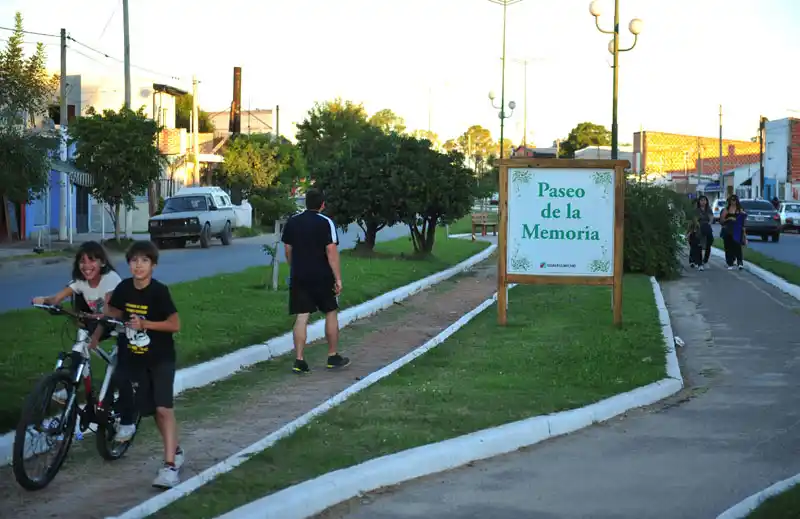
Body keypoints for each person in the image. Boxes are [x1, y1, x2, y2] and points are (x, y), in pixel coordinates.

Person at [90, 240, 184, 489]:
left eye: (144, 261)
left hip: (161, 358)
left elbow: (175, 324)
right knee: (152, 410)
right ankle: (173, 448)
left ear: (153, 265)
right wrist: (97, 335)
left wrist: (146, 324)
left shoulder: (159, 292)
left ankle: (170, 466)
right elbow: (112, 314)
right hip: (133, 358)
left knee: (164, 409)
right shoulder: (123, 289)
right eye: (134, 261)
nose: (138, 265)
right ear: (129, 264)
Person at [32, 241, 124, 403]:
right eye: (82, 261)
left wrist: (95, 326)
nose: (86, 265)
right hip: (96, 321)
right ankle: (70, 388)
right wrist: (45, 300)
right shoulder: (80, 281)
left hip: (116, 322)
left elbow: (109, 312)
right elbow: (58, 297)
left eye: (92, 260)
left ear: (102, 262)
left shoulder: (110, 279)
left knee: (120, 365)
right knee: (78, 347)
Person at [281, 189, 349, 374]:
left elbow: (288, 249)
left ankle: (299, 359)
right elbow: (331, 251)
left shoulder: (293, 222)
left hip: (299, 275)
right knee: (330, 312)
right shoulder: (326, 223)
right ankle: (332, 355)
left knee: (302, 316)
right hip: (322, 275)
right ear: (322, 204)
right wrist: (338, 278)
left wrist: (294, 267)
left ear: (306, 203)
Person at [720, 195, 747, 270]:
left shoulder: (740, 210)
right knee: (728, 246)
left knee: (737, 246)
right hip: (727, 229)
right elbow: (721, 221)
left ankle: (740, 262)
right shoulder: (726, 209)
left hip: (737, 230)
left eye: (734, 200)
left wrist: (744, 232)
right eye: (731, 200)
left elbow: (743, 221)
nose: (733, 201)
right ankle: (729, 262)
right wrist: (729, 218)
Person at [695, 195, 714, 268]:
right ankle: (699, 262)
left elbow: (711, 218)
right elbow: (695, 220)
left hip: (707, 227)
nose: (703, 202)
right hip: (699, 228)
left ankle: (705, 260)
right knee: (699, 245)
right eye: (701, 200)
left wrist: (708, 224)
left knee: (709, 243)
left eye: (704, 200)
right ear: (699, 202)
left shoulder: (708, 209)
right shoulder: (697, 210)